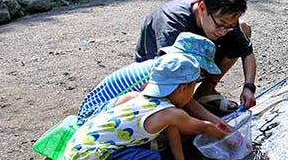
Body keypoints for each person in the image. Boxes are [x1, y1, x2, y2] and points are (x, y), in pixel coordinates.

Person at [62, 54, 231, 160]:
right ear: (183, 88)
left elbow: (172, 129)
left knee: (135, 148)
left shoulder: (140, 98)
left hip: (76, 151)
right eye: (193, 87)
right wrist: (230, 139)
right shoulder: (171, 112)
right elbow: (205, 127)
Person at [134, 0, 257, 115]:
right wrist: (211, 122)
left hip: (191, 60)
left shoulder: (223, 20)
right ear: (202, 8)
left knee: (243, 28)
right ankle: (184, 105)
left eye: (229, 26)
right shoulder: (172, 24)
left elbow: (247, 52)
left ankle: (205, 91)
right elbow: (169, 77)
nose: (224, 31)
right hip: (159, 74)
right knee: (178, 113)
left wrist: (249, 87)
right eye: (220, 24)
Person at [76, 32, 229, 132]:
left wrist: (214, 121)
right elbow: (186, 105)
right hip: (91, 118)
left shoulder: (163, 67)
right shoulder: (162, 75)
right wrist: (212, 124)